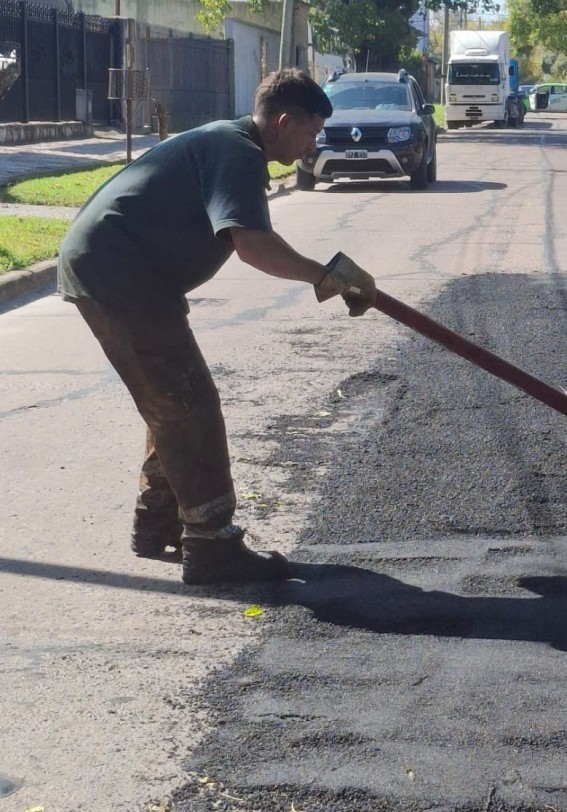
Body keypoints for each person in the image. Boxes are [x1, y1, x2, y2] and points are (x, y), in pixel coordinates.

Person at [57, 68, 376, 586]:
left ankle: (157, 518)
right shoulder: (239, 153)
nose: (314, 143)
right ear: (283, 122)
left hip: (122, 270)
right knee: (190, 404)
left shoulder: (234, 144)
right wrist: (328, 277)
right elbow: (254, 246)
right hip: (118, 271)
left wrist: (327, 277)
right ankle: (212, 546)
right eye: (311, 131)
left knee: (171, 400)